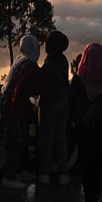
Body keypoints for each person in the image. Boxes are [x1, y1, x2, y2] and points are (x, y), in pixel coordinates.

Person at [70, 42, 102, 202]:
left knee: (86, 164)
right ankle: (96, 195)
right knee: (97, 162)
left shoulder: (78, 79)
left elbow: (72, 104)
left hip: (85, 129)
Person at [0, 34, 42, 189]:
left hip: (7, 107)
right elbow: (34, 89)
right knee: (15, 144)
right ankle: (9, 176)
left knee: (15, 142)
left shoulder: (19, 61)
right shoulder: (30, 66)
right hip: (16, 110)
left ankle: (16, 172)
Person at [38, 30, 71, 184]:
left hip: (49, 105)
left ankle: (45, 172)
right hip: (63, 103)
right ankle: (63, 172)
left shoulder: (49, 64)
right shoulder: (64, 61)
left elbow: (42, 86)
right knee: (60, 138)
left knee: (46, 138)